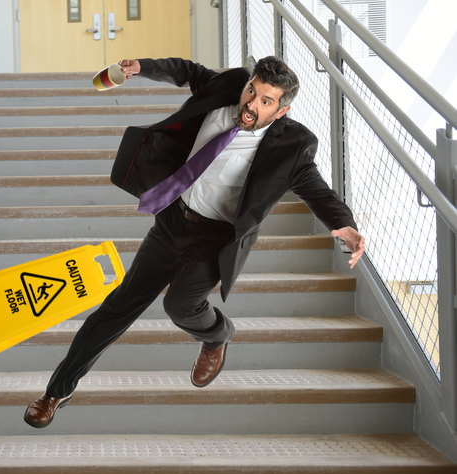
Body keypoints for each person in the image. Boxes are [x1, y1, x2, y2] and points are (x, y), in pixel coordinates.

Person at [24, 56, 365, 429]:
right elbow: (187, 71)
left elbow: (316, 189)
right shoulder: (228, 87)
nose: (251, 104)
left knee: (180, 305)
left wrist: (342, 225)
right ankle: (56, 391)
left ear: (282, 110)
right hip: (173, 220)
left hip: (214, 239)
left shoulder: (294, 145)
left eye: (266, 101)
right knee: (117, 309)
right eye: (252, 90)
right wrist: (143, 67)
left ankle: (218, 335)